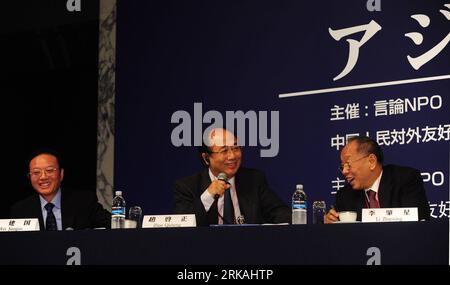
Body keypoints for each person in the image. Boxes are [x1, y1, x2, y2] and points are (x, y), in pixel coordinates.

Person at [174, 128, 290, 226]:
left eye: (236, 148)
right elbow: (182, 225)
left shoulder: (254, 179)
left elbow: (282, 213)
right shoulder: (187, 187)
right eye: (224, 150)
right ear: (206, 158)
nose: (232, 156)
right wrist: (208, 196)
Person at [325, 136, 430, 223]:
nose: (344, 171)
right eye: (342, 166)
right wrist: (330, 223)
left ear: (371, 161)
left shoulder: (405, 179)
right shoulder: (345, 195)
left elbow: (419, 222)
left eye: (348, 164)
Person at [10, 148, 111, 230]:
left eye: (49, 170)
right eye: (36, 172)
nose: (43, 177)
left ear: (61, 174)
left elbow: (113, 225)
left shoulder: (84, 201)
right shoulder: (20, 210)